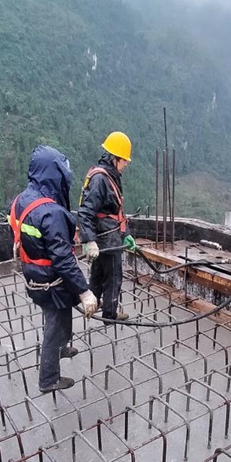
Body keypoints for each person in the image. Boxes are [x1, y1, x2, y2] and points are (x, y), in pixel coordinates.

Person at [9, 145, 98, 392]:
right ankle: (48, 379)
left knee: (61, 314)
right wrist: (84, 291)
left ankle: (61, 349)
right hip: (50, 279)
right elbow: (63, 260)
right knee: (54, 324)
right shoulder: (51, 212)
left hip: (33, 272)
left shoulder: (21, 201)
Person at [78, 131, 137, 321]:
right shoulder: (101, 179)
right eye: (124, 160)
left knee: (98, 272)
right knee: (113, 276)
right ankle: (109, 314)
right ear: (115, 158)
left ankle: (92, 304)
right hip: (107, 238)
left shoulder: (109, 176)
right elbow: (85, 211)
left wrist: (125, 234)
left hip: (108, 236)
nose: (126, 164)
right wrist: (89, 240)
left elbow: (116, 210)